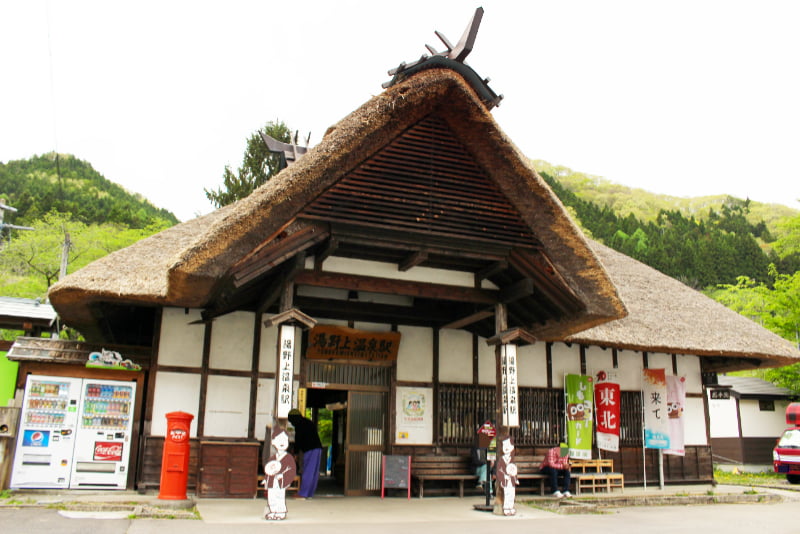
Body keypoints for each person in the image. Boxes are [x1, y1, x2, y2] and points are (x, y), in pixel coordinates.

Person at [287, 408, 323, 499]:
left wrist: (295, 454)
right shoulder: (308, 422)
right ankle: (309, 493)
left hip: (310, 449)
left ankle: (303, 493)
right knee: (314, 472)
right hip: (318, 448)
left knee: (308, 471)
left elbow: (298, 441)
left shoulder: (299, 425)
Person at [263, 426, 296, 520]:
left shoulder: (288, 458)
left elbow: (291, 469)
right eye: (279, 440)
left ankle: (280, 512)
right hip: (272, 481)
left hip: (281, 481)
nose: (282, 442)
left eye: (284, 440)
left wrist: (284, 476)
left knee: (280, 496)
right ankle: (273, 511)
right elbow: (269, 469)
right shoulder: (273, 458)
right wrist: (266, 479)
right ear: (273, 442)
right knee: (271, 496)